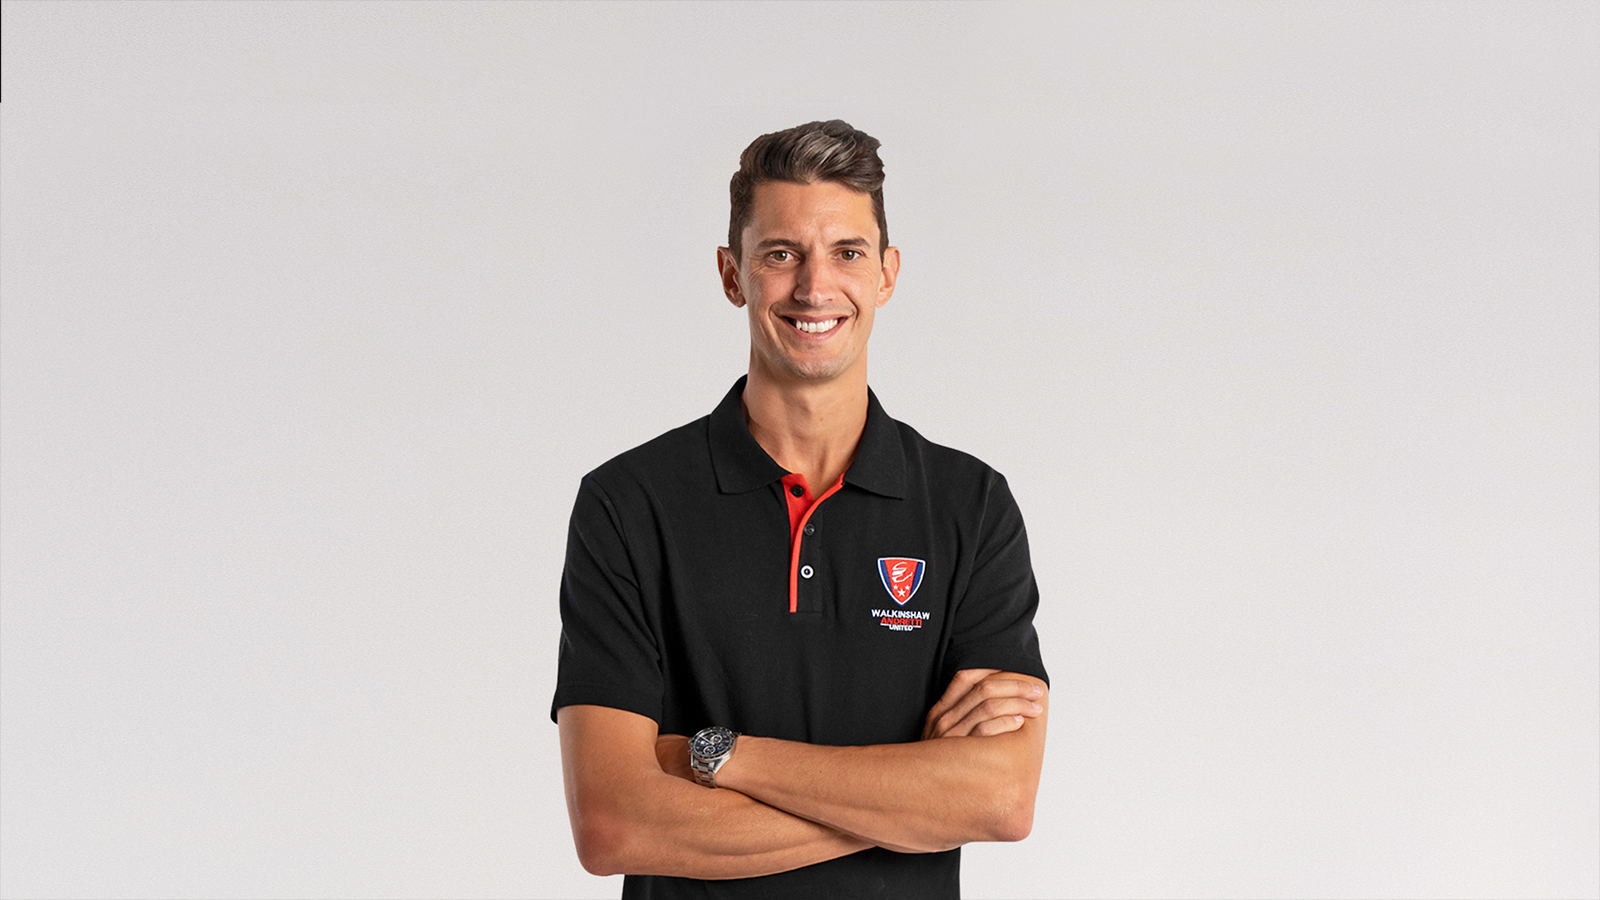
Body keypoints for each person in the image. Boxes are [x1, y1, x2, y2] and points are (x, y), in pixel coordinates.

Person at [552, 120, 1049, 899]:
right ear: (732, 275)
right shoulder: (629, 504)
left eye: (847, 253)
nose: (815, 289)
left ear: (886, 274)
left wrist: (717, 756)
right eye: (781, 255)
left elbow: (1002, 800)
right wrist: (912, 798)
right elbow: (615, 824)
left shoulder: (971, 506)